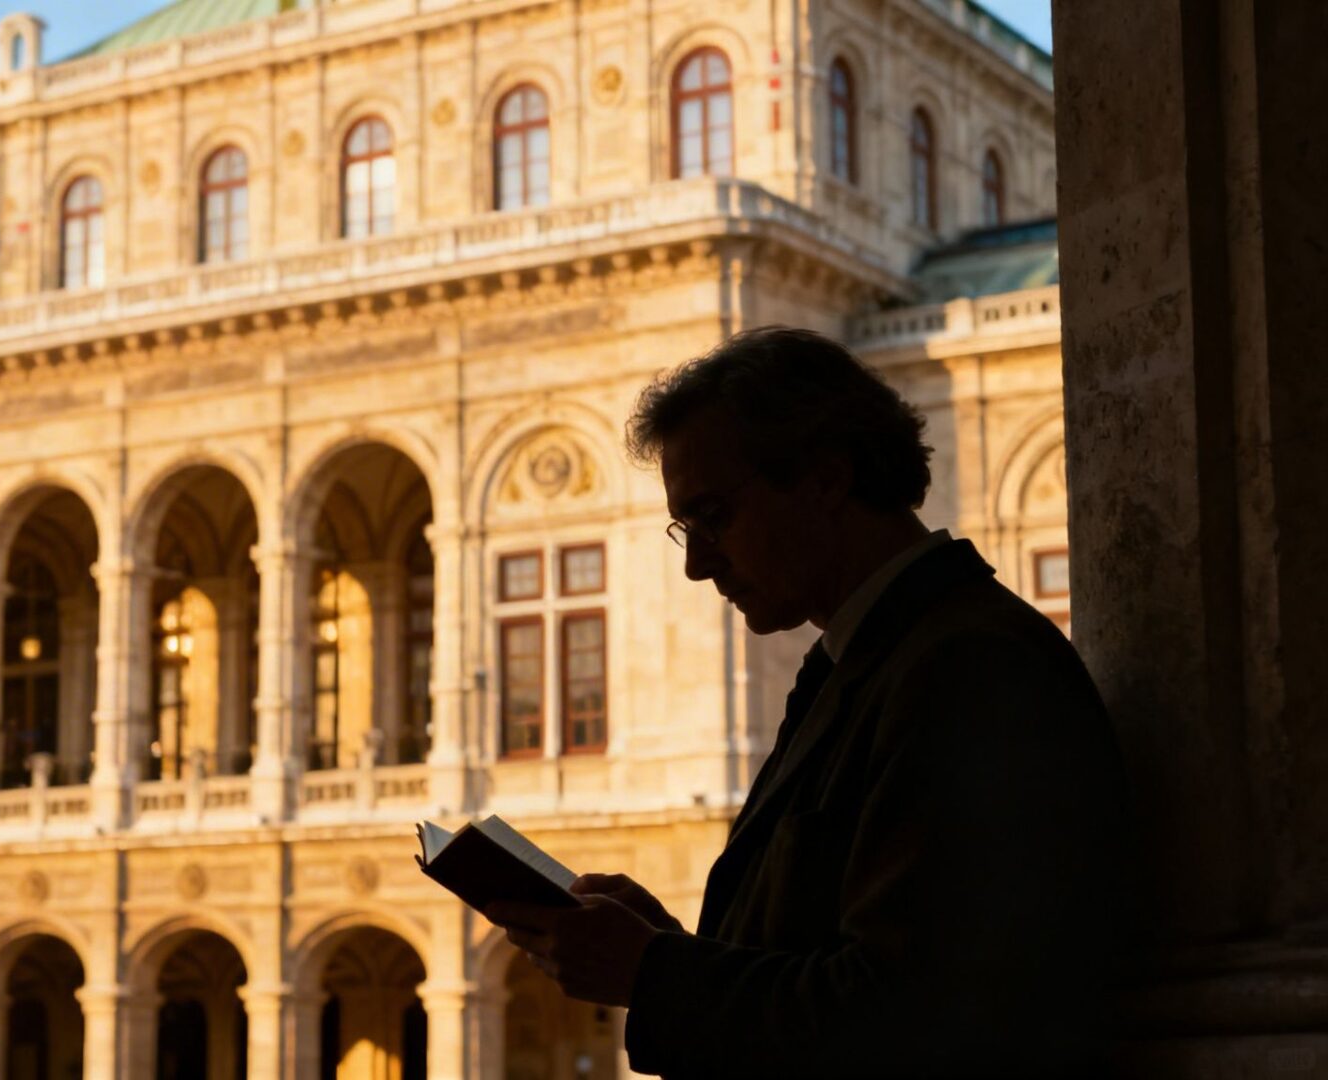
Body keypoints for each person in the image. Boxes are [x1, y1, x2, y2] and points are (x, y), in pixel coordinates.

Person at [485, 327, 1131, 1077]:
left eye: (714, 517)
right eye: (684, 529)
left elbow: (918, 1015)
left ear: (827, 480)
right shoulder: (869, 662)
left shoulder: (968, 669)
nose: (696, 564)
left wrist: (657, 973)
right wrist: (669, 947)